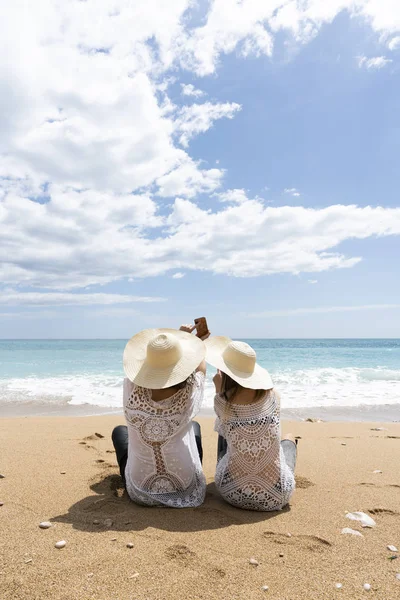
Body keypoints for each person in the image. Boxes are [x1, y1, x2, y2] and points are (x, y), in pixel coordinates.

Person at [112, 325, 207, 508]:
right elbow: (200, 366)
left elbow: (135, 374)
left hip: (141, 492)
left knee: (120, 432)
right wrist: (191, 341)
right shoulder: (189, 395)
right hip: (184, 489)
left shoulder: (131, 391)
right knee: (194, 427)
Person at [205, 336, 296, 511]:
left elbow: (223, 430)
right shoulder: (274, 397)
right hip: (276, 496)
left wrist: (219, 390)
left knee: (228, 432)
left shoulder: (222, 401)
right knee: (288, 440)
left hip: (232, 493)